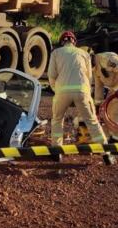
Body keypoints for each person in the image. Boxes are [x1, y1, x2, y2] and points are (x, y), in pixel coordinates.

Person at [47, 31, 111, 163]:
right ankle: (106, 154)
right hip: (82, 91)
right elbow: (89, 77)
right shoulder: (84, 54)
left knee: (57, 120)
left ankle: (57, 152)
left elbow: (51, 76)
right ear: (74, 42)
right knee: (92, 121)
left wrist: (57, 91)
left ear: (62, 42)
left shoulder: (56, 53)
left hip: (62, 92)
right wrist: (84, 92)